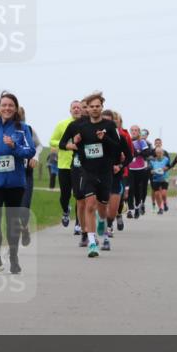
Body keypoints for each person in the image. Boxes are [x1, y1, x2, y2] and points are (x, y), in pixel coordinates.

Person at [60, 92, 130, 257]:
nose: (94, 109)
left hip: (105, 171)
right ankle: (92, 242)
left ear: (101, 107)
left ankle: (102, 222)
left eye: (97, 106)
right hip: (87, 170)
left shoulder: (110, 126)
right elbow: (64, 143)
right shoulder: (81, 127)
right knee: (89, 204)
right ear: (88, 109)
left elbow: (118, 149)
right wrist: (74, 144)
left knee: (102, 206)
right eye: (91, 106)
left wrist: (104, 138)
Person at [0, 93, 36, 274]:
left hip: (15, 182)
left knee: (12, 221)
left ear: (16, 108)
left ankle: (13, 257)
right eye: (4, 105)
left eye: (11, 105)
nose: (7, 108)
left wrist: (14, 147)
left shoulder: (23, 128)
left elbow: (30, 151)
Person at [49, 101, 85, 234]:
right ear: (70, 110)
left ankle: (78, 223)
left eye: (79, 108)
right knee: (65, 194)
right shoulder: (62, 124)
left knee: (79, 195)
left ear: (82, 110)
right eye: (74, 108)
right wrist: (66, 144)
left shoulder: (85, 124)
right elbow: (51, 141)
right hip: (64, 164)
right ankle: (65, 210)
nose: (76, 110)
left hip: (80, 165)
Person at [17, 106, 39, 247]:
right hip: (9, 173)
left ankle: (24, 228)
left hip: (26, 174)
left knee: (24, 206)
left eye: (20, 115)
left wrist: (35, 157)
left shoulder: (28, 129)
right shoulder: (0, 129)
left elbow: (39, 146)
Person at [127, 125, 152, 218]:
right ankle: (130, 210)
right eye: (132, 130)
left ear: (139, 132)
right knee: (130, 189)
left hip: (140, 169)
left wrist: (138, 152)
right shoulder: (128, 140)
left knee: (137, 190)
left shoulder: (141, 141)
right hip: (129, 168)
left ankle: (137, 207)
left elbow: (147, 152)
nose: (134, 132)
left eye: (136, 130)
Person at [148, 147, 172, 214]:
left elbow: (169, 166)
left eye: (160, 152)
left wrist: (165, 168)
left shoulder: (166, 159)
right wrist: (152, 171)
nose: (159, 154)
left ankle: (164, 203)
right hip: (156, 179)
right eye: (157, 153)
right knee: (156, 194)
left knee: (163, 193)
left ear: (163, 153)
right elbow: (149, 169)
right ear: (155, 153)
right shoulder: (152, 161)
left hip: (164, 178)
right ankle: (160, 208)